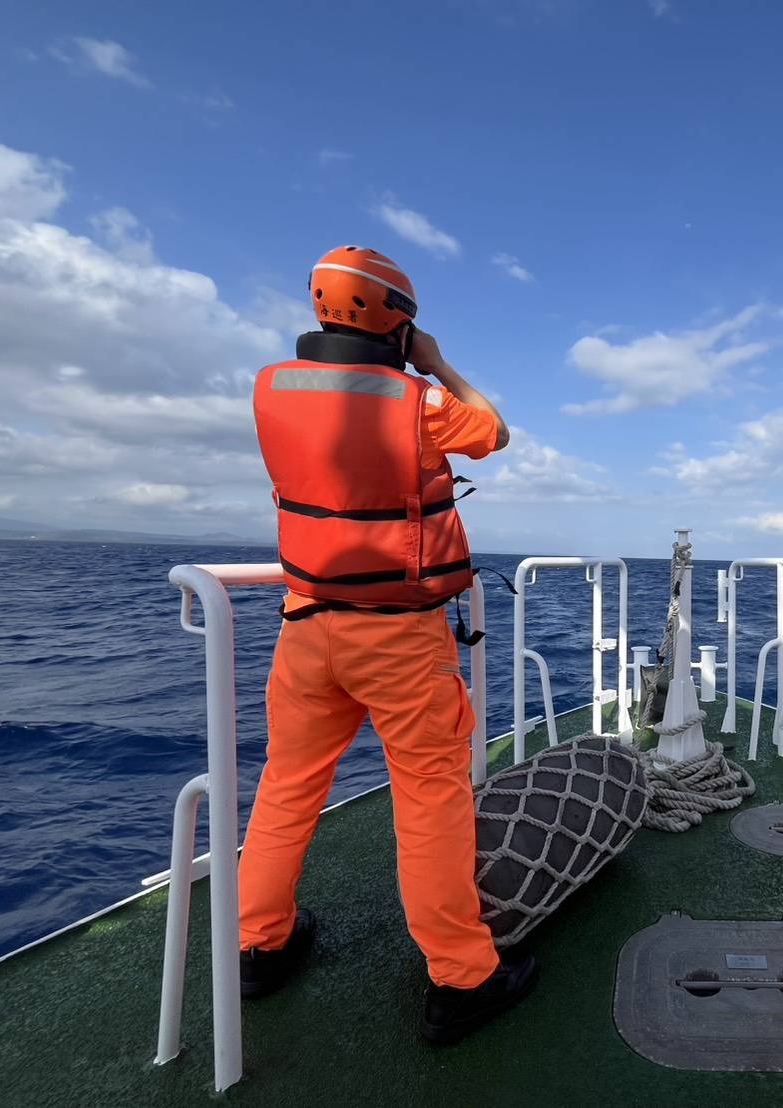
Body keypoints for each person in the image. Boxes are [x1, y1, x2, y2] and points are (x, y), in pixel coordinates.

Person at [239, 244, 536, 1044]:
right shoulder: (419, 401)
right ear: (400, 323)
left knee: (287, 785)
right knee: (431, 798)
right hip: (400, 636)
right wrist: (434, 362)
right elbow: (495, 433)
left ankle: (259, 946)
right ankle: (461, 978)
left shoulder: (270, 387)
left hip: (307, 625)